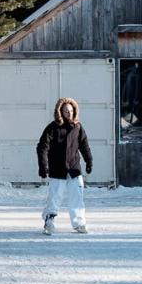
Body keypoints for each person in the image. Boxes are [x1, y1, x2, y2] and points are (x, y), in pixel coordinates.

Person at [36, 97, 93, 235]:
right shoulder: (53, 127)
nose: (69, 113)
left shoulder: (78, 127)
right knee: (55, 196)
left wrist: (89, 160)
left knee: (77, 196)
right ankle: (49, 221)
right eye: (66, 111)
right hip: (58, 169)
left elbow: (84, 145)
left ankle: (79, 223)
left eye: (71, 111)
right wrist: (43, 166)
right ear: (60, 111)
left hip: (74, 168)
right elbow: (42, 147)